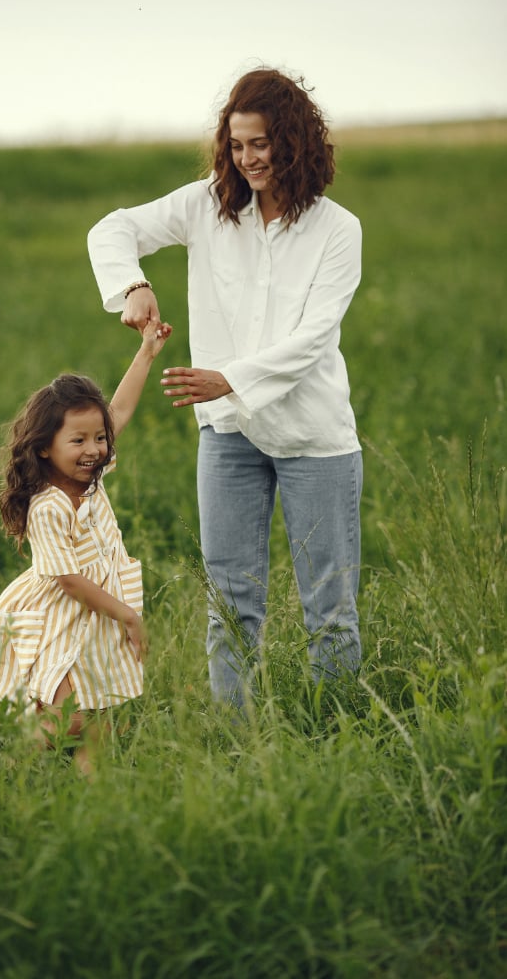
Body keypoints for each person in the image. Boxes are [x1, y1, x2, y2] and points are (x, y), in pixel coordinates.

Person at [87, 65, 363, 710]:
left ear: (293, 141)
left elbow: (314, 338)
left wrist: (227, 378)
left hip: (314, 438)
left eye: (260, 144)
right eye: (237, 146)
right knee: (230, 603)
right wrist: (133, 285)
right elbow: (113, 229)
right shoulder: (206, 206)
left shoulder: (336, 229)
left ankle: (337, 737)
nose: (247, 160)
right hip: (229, 436)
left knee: (330, 608)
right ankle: (235, 743)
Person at [0, 320, 172, 770]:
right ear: (44, 448)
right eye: (77, 440)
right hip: (57, 613)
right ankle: (4, 767)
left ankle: (85, 787)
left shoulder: (92, 477)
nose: (94, 449)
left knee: (96, 713)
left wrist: (147, 353)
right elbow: (69, 581)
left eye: (98, 439)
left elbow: (118, 411)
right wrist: (127, 615)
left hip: (90, 612)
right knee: (68, 718)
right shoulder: (48, 507)